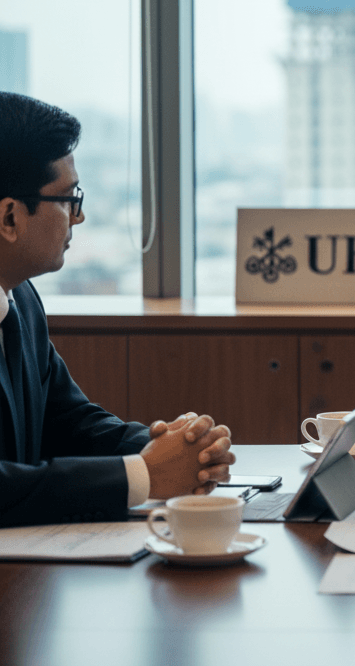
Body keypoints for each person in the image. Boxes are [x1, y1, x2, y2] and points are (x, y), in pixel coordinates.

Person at [0, 92, 236, 527]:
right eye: (69, 199)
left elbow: (70, 422)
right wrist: (143, 475)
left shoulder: (21, 298)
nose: (79, 217)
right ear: (10, 218)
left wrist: (176, 447)